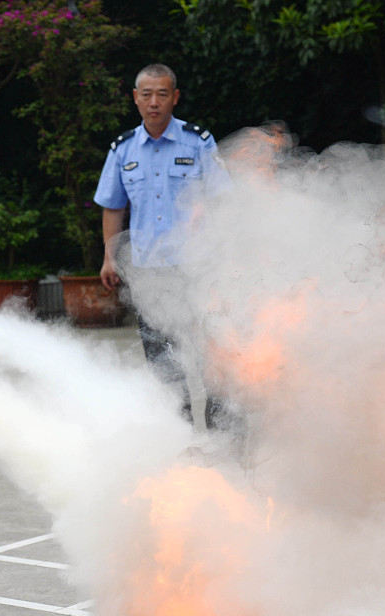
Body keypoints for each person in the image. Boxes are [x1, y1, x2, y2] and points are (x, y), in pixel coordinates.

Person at [94, 63, 226, 428]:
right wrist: (109, 256)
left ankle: (220, 436)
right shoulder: (123, 149)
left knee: (209, 352)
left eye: (162, 94)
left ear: (175, 97)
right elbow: (113, 205)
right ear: (135, 98)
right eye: (147, 94)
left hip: (196, 269)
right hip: (148, 272)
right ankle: (179, 435)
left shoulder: (198, 142)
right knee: (163, 359)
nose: (154, 102)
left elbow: (222, 200)